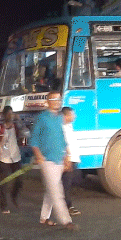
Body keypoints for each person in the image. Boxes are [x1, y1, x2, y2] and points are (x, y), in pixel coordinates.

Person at [30, 91, 78, 230]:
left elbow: (62, 139)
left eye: (59, 99)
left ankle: (44, 218)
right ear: (47, 101)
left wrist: (67, 156)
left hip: (59, 159)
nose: (57, 102)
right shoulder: (41, 118)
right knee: (57, 190)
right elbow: (34, 140)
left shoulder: (59, 118)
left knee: (51, 190)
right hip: (47, 159)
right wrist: (38, 155)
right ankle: (66, 221)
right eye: (54, 99)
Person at [0, 106, 25, 214]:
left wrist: (19, 121)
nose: (10, 116)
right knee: (4, 182)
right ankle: (3, 206)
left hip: (16, 158)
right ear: (4, 116)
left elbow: (26, 133)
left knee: (19, 181)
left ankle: (14, 196)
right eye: (8, 114)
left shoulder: (16, 127)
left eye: (12, 113)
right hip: (3, 159)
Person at [61, 107, 82, 216]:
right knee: (66, 185)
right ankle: (67, 207)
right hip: (68, 160)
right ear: (66, 116)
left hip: (73, 159)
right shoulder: (62, 128)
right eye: (72, 114)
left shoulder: (69, 126)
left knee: (71, 183)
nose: (74, 116)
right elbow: (63, 145)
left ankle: (62, 205)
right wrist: (67, 158)